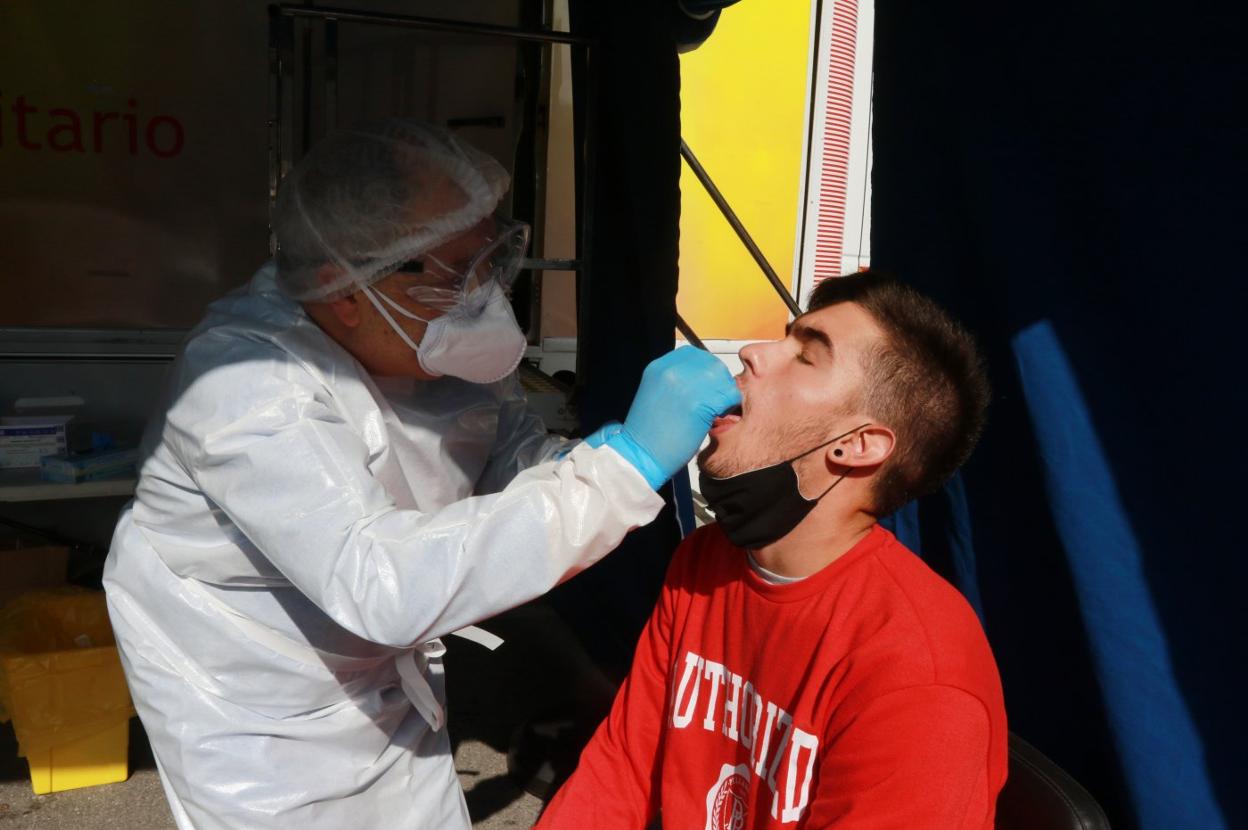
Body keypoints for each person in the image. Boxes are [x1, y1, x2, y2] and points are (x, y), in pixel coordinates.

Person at [102, 120, 740, 829]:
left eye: (492, 259)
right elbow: (381, 581)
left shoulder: (421, 334)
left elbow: (508, 464)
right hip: (257, 709)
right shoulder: (248, 385)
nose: (484, 295)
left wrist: (588, 459)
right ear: (343, 290)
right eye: (456, 273)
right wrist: (623, 471)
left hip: (389, 672)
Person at [536, 273, 1007, 829]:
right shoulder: (705, 560)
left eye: (806, 357)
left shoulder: (918, 675)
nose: (754, 353)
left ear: (858, 445)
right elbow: (622, 769)